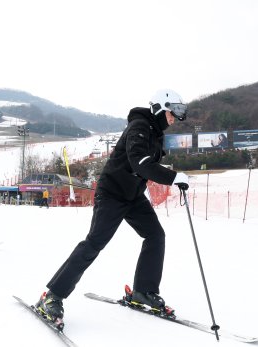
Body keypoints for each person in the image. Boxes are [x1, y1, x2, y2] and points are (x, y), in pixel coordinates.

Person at [35, 89, 190, 328]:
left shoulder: (155, 134)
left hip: (133, 196)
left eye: (179, 114)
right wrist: (172, 176)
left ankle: (143, 291)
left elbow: (142, 168)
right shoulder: (139, 127)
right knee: (94, 243)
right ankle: (52, 295)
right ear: (160, 108)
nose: (175, 119)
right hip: (112, 194)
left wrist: (170, 178)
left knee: (155, 235)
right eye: (173, 113)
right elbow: (140, 162)